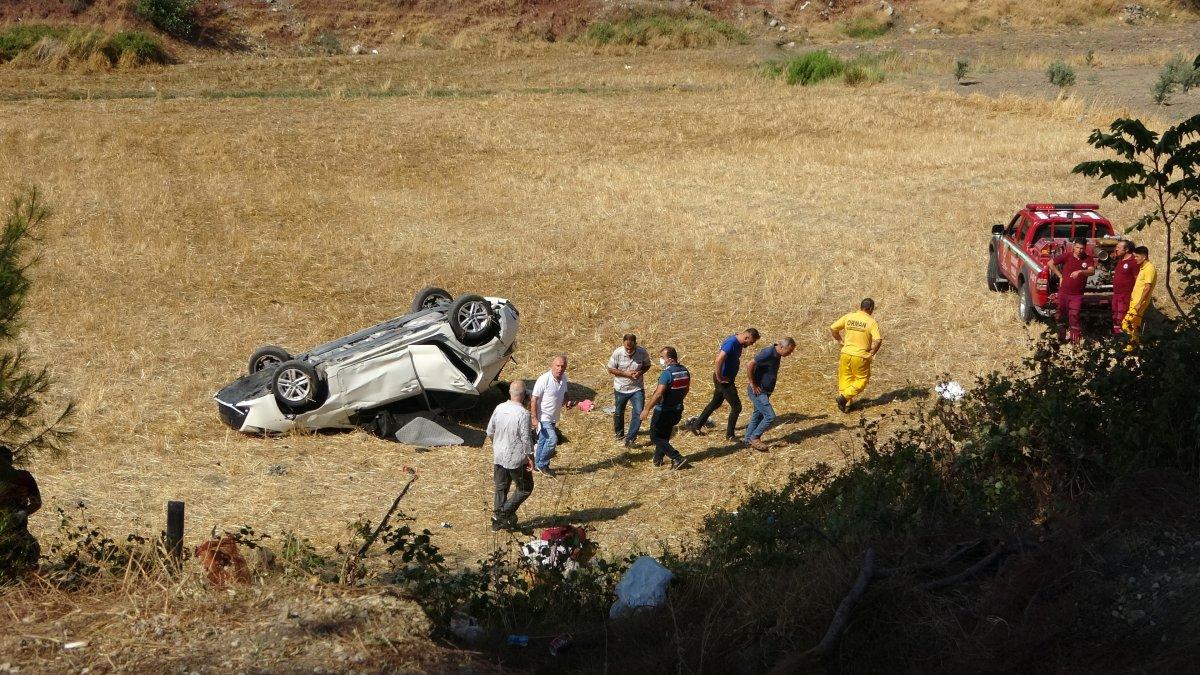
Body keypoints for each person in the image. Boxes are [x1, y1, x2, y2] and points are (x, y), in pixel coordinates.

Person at [685, 328, 760, 440]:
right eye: (751, 342)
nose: (751, 344)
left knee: (715, 403)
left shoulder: (738, 342)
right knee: (737, 407)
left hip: (727, 379)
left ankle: (696, 426)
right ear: (746, 337)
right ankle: (730, 435)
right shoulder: (731, 343)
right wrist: (719, 377)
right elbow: (719, 360)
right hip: (724, 381)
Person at [486, 381, 534, 531]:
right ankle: (502, 514)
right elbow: (526, 439)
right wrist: (530, 457)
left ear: (510, 393)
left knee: (501, 487)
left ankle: (497, 522)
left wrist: (497, 444)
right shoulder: (524, 414)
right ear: (524, 395)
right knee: (525, 488)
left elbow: (489, 431)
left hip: (499, 455)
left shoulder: (499, 408)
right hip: (516, 459)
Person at [640, 346, 691, 470]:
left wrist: (647, 409)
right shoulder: (684, 371)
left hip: (663, 411)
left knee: (655, 437)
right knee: (665, 435)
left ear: (670, 359)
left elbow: (658, 394)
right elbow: (686, 389)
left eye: (662, 357)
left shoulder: (667, 374)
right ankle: (658, 460)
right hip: (677, 409)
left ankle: (677, 457)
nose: (661, 360)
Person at [830, 299, 883, 413]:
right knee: (862, 380)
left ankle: (847, 405)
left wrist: (840, 341)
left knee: (845, 378)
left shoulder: (849, 317)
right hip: (860, 356)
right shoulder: (871, 322)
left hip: (845, 354)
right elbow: (878, 340)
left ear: (861, 306)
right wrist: (872, 352)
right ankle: (844, 397)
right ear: (871, 308)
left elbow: (833, 328)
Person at [744, 337, 796, 450]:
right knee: (770, 416)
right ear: (781, 347)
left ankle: (747, 441)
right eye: (789, 351)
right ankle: (755, 437)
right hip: (758, 391)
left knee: (757, 415)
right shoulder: (768, 353)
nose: (790, 354)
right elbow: (750, 364)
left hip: (765, 391)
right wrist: (753, 384)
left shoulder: (777, 353)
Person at [0, 445, 42, 581]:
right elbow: (36, 503)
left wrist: (22, 514)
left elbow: (37, 503)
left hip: (17, 530)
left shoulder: (24, 478)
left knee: (29, 551)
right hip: (12, 529)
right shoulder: (24, 478)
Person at [1047, 237, 1098, 344]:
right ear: (1073, 247)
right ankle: (1061, 338)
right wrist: (1060, 276)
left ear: (1085, 248)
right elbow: (1050, 263)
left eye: (1082, 248)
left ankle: (1075, 342)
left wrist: (1080, 272)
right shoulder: (1067, 256)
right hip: (1063, 293)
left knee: (1074, 316)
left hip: (1077, 295)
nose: (1079, 250)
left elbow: (1091, 271)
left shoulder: (1088, 259)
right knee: (1061, 315)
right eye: (1077, 247)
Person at [530, 355, 571, 478]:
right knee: (552, 440)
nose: (560, 369)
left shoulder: (564, 378)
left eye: (562, 366)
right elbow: (534, 399)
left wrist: (567, 401)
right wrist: (534, 417)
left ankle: (537, 465)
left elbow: (565, 393)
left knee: (543, 441)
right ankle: (543, 464)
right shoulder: (544, 379)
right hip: (543, 417)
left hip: (554, 417)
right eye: (557, 366)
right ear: (552, 366)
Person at [607, 334, 651, 449]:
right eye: (627, 348)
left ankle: (630, 438)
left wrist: (640, 372)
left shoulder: (642, 352)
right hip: (621, 388)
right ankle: (619, 434)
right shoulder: (618, 353)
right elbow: (610, 369)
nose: (629, 351)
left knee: (638, 412)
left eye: (631, 348)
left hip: (637, 388)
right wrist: (625, 374)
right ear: (623, 344)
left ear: (636, 344)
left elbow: (647, 365)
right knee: (618, 412)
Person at [1122, 245, 1157, 349]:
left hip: (1139, 303)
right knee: (1135, 325)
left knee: (1126, 324)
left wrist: (1139, 303)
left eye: (1137, 256)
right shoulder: (1143, 268)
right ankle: (1133, 347)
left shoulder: (1149, 268)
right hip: (1135, 301)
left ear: (1144, 256)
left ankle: (1129, 346)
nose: (1135, 259)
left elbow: (1147, 287)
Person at [1109, 239, 1140, 336]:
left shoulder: (1133, 262)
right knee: (1115, 316)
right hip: (1116, 294)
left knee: (1121, 317)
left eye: (1119, 248)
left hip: (1125, 295)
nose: (1116, 249)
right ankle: (1117, 337)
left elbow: (1137, 279)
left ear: (1126, 250)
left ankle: (1123, 337)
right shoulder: (1120, 260)